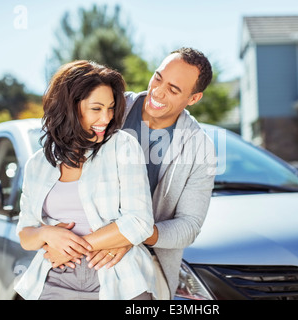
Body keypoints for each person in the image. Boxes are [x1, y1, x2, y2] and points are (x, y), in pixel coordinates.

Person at [14, 60, 156, 300]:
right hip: (55, 278)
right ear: (69, 108)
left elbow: (140, 222)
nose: (106, 118)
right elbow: (25, 234)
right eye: (96, 108)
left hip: (118, 278)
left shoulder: (122, 146)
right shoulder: (37, 164)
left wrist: (74, 248)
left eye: (110, 108)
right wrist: (47, 234)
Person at [86, 47, 217, 299]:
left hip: (144, 262)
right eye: (158, 78)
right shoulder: (110, 108)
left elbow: (189, 225)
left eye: (174, 89)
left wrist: (132, 234)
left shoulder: (200, 147)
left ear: (194, 98)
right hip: (83, 245)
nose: (158, 91)